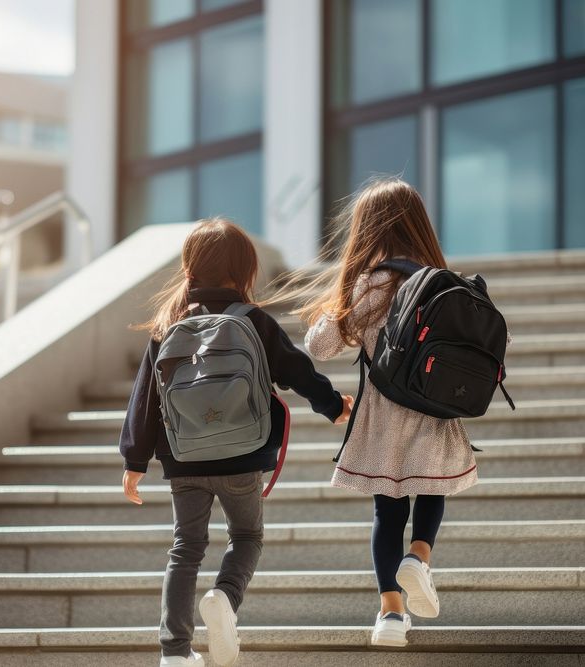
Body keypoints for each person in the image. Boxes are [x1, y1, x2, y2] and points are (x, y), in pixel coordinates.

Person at [119, 218, 353, 666]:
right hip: (243, 454)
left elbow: (145, 397)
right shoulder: (253, 321)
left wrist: (134, 458)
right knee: (246, 536)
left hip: (184, 459)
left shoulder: (169, 325)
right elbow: (297, 371)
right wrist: (332, 405)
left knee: (185, 548)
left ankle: (174, 653)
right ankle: (225, 599)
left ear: (190, 268)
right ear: (245, 271)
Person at [300, 178, 478, 647]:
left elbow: (319, 346)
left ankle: (391, 615)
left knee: (388, 508)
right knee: (431, 489)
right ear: (420, 226)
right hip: (434, 413)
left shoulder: (371, 283)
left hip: (383, 415)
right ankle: (419, 558)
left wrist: (340, 301)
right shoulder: (445, 283)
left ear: (367, 230)